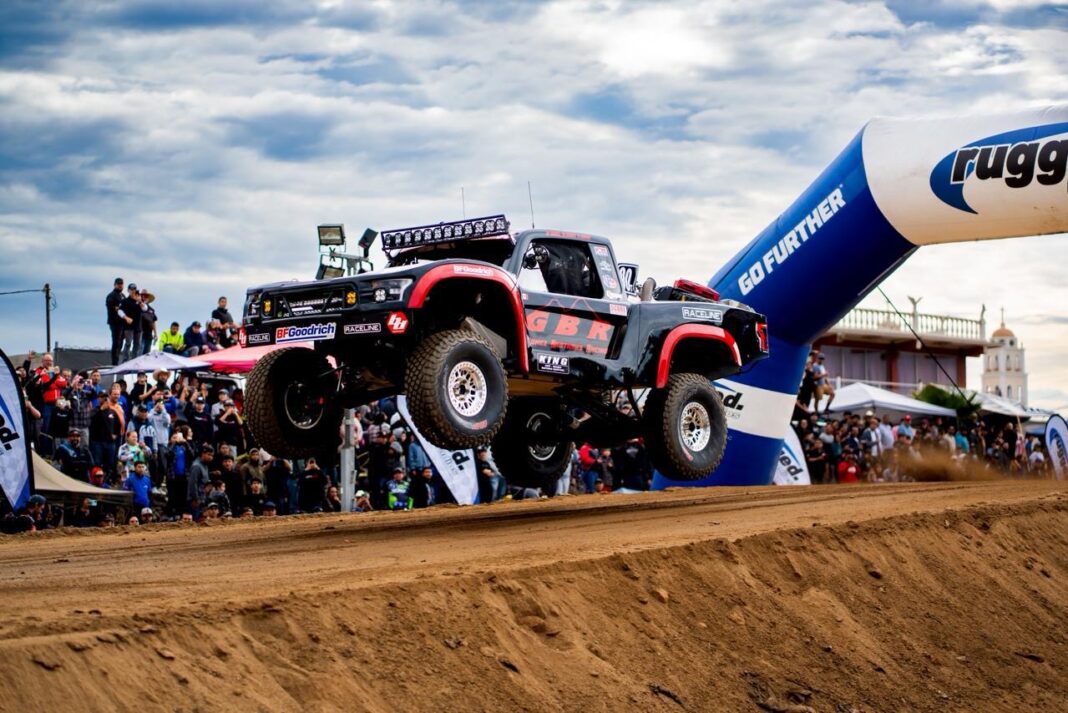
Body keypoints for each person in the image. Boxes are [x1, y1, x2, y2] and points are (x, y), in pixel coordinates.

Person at [118, 283, 144, 363]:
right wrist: (126, 318)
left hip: (138, 327)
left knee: (137, 345)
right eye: (131, 289)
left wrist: (139, 302)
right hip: (128, 327)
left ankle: (135, 361)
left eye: (134, 289)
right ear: (128, 290)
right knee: (128, 343)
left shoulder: (139, 301)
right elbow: (119, 311)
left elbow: (145, 309)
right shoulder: (125, 301)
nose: (133, 291)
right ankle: (125, 360)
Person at [105, 277, 126, 364]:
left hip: (122, 323)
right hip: (115, 322)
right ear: (115, 285)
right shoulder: (111, 295)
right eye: (118, 284)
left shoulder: (123, 296)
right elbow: (113, 308)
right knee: (116, 342)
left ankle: (117, 360)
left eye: (121, 284)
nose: (120, 285)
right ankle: (114, 363)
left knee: (120, 342)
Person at [138, 287, 158, 355]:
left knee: (147, 352)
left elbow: (153, 321)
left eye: (146, 296)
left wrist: (155, 334)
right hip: (140, 332)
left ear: (148, 298)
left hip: (149, 333)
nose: (144, 297)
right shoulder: (137, 307)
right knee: (140, 349)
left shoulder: (151, 310)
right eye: (142, 295)